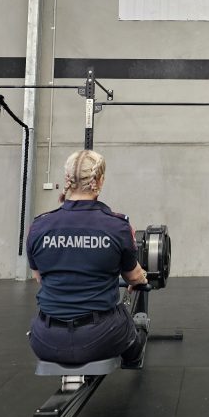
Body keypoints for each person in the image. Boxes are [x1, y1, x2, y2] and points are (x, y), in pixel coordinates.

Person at [26, 149, 149, 367]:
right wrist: (140, 280)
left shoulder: (38, 227)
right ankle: (134, 352)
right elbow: (135, 277)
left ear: (67, 180)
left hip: (45, 340)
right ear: (100, 181)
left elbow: (40, 279)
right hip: (101, 337)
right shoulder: (117, 226)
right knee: (127, 323)